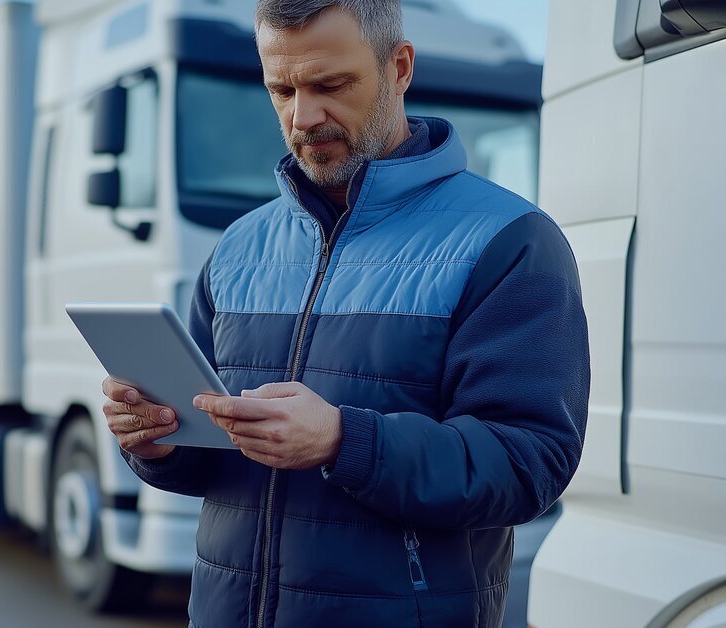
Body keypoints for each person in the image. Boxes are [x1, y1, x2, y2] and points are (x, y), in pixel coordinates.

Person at [101, 1, 589, 626]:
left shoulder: (510, 240)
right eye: (282, 89)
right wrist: (157, 437)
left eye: (330, 85)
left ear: (400, 68)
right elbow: (213, 460)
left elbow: (528, 464)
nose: (303, 116)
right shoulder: (238, 247)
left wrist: (341, 440)